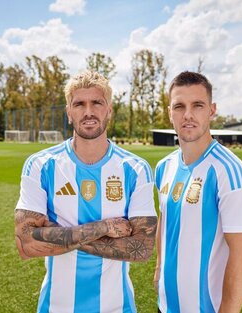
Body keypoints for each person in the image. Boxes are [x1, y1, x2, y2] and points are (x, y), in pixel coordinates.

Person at [14, 70, 157, 313]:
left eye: (97, 103)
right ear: (69, 112)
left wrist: (59, 236)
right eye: (79, 104)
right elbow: (27, 243)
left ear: (109, 109)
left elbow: (141, 248)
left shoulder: (135, 169)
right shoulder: (40, 165)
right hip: (56, 307)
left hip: (117, 306)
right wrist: (104, 228)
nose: (88, 111)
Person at [154, 71, 242, 313]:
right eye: (179, 106)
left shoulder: (229, 172)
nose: (187, 115)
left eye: (197, 105)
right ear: (170, 113)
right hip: (166, 305)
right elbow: (164, 219)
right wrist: (159, 266)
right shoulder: (164, 167)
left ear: (211, 110)